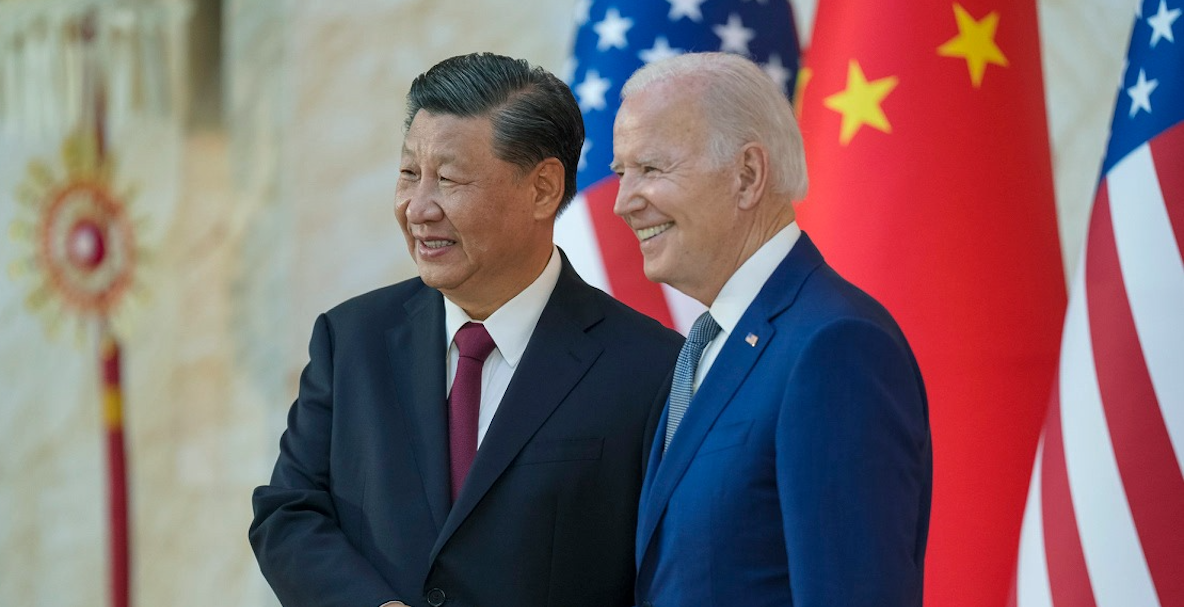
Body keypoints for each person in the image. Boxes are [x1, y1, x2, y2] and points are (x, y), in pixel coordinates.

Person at [250, 52, 682, 607]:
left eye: (449, 179)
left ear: (543, 189)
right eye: (410, 174)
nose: (417, 208)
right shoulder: (351, 339)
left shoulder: (650, 369)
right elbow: (288, 511)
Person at [611, 52, 932, 606]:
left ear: (748, 175)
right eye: (622, 173)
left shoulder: (835, 347)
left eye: (651, 169)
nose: (622, 202)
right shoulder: (706, 346)